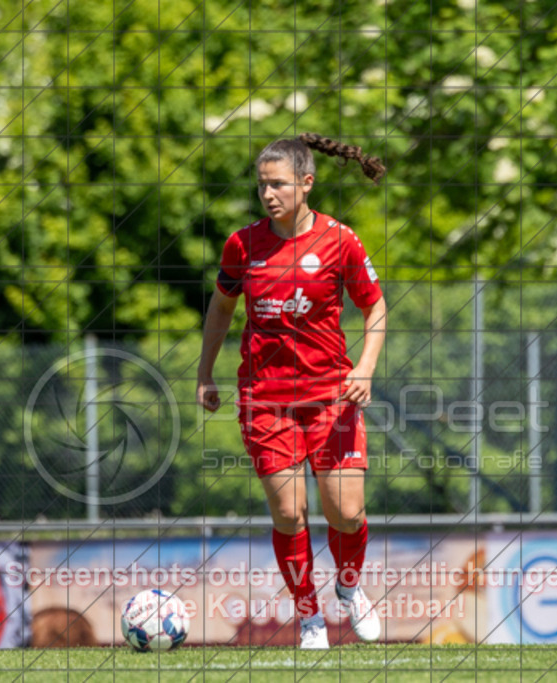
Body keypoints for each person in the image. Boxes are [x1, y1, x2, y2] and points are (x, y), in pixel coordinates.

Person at [197, 133, 388, 650]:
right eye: (262, 185)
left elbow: (376, 307)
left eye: (278, 184)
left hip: (332, 396)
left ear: (307, 182)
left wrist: (364, 369)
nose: (268, 194)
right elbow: (221, 307)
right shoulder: (243, 244)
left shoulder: (340, 240)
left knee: (346, 512)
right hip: (266, 398)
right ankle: (309, 617)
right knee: (288, 512)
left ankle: (348, 588)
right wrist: (205, 373)